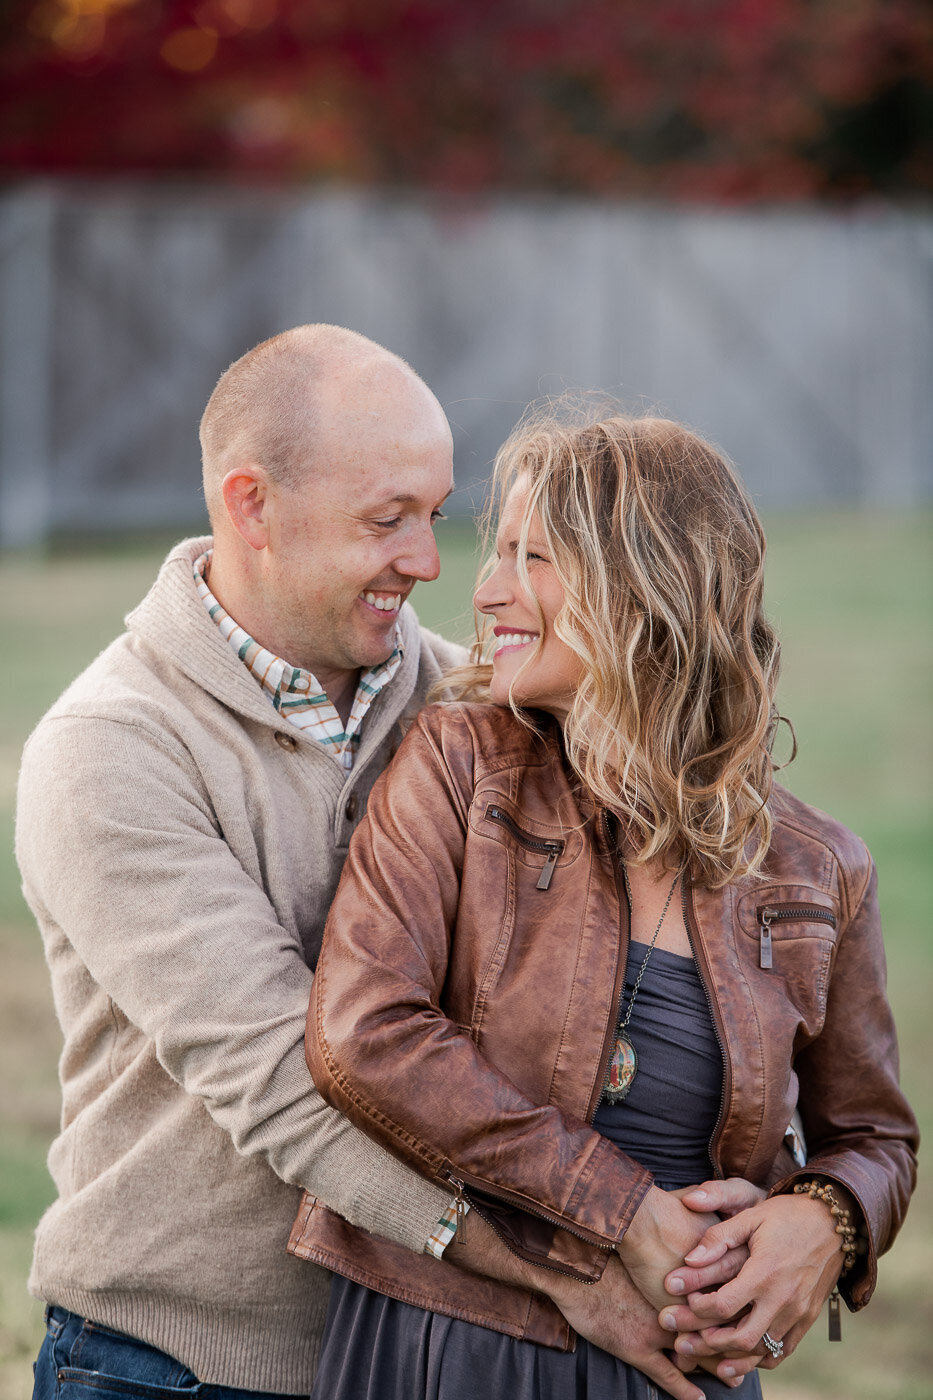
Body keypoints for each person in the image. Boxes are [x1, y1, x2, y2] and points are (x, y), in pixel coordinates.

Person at [299, 405, 918, 1400]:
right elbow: (364, 1033)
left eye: (531, 555)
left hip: (683, 1370)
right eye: (493, 551)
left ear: (645, 589)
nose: (487, 590)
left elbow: (875, 1136)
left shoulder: (816, 868)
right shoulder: (460, 767)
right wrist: (622, 1208)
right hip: (450, 1344)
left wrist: (828, 1219)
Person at [16, 324, 470, 1398]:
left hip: (425, 1354)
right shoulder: (108, 747)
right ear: (252, 504)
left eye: (436, 516)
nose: (429, 560)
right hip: (166, 1364)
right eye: (387, 518)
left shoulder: (467, 706)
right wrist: (566, 1262)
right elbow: (282, 1077)